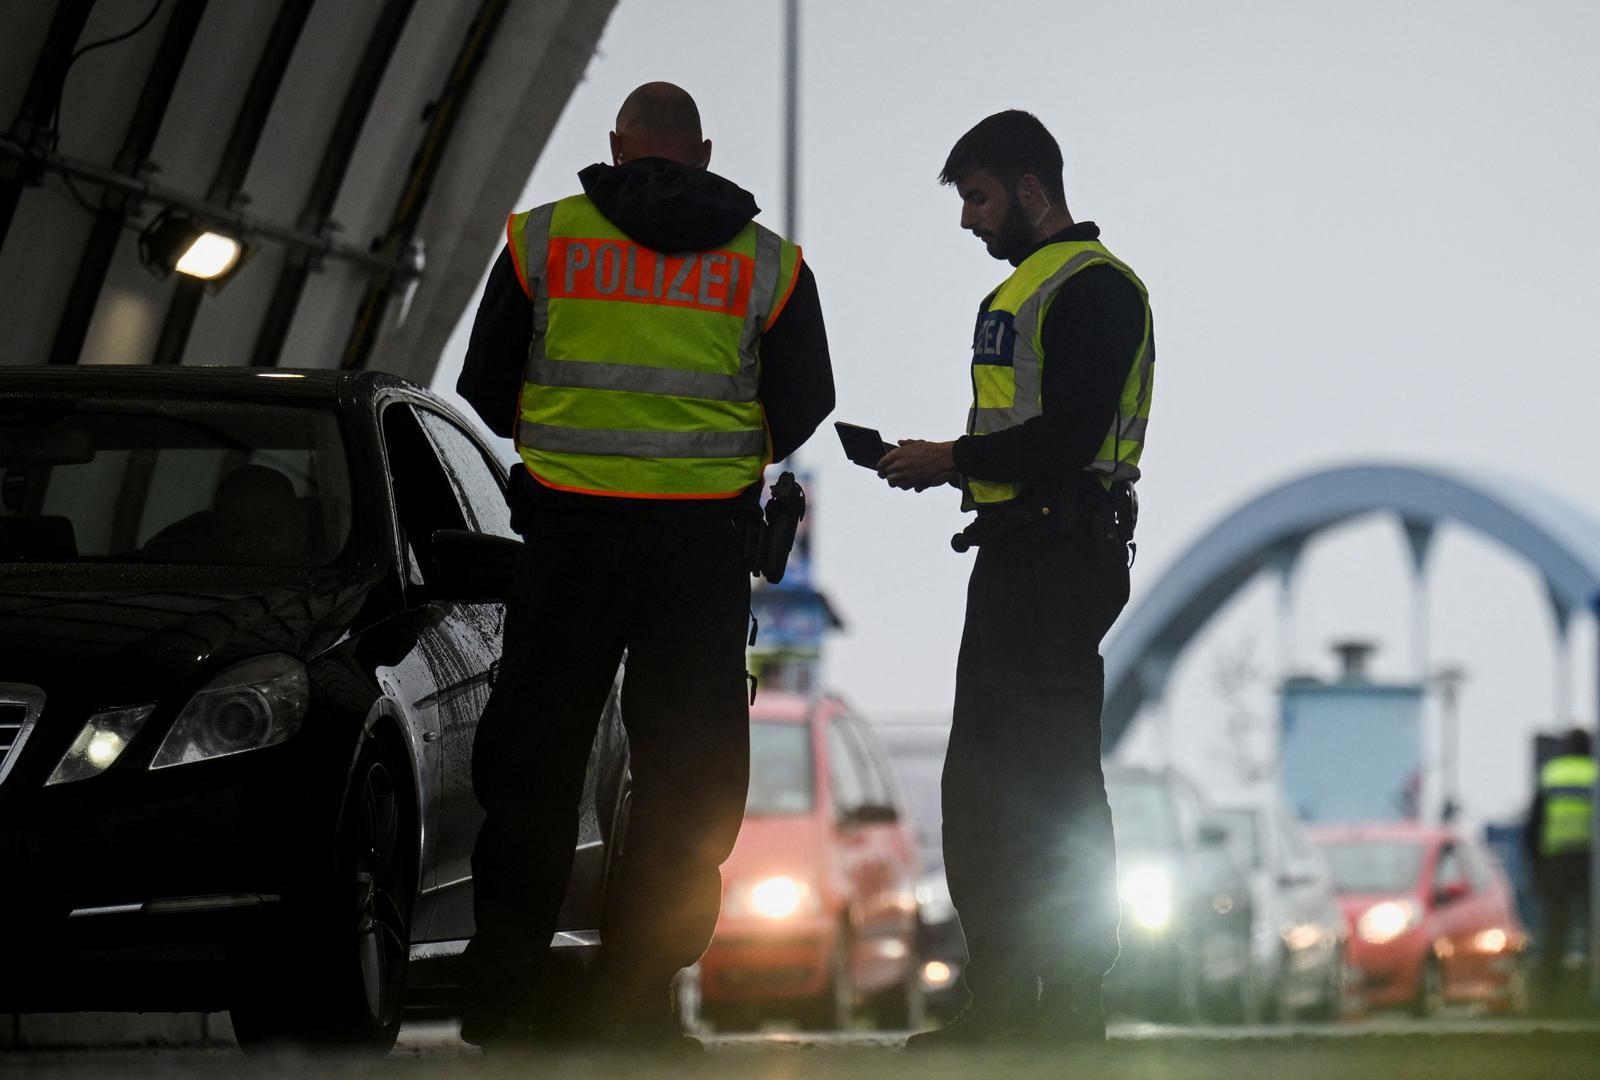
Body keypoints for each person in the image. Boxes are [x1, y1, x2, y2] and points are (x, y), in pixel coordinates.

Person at [454, 82, 834, 1050]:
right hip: (697, 548)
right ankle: (637, 1002)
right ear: (700, 152)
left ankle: (504, 994)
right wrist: (709, 455)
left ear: (617, 145)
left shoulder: (542, 241)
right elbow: (806, 399)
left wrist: (571, 449)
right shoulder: (768, 264)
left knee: (535, 765)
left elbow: (483, 387)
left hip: (567, 537)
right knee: (685, 778)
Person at [883, 110, 1153, 1047]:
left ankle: (1072, 1003)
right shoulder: (1035, 288)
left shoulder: (1097, 289)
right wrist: (953, 465)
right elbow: (1026, 434)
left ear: (1031, 191)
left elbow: (1070, 437)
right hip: (1014, 552)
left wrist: (949, 457)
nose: (969, 220)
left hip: (1060, 556)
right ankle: (1002, 1003)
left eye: (979, 197)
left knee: (1053, 785)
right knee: (988, 787)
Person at [1525, 727, 1595, 1008]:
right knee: (1594, 928)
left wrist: (1536, 867)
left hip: (1557, 862)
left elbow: (1534, 824)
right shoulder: (1595, 774)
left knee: (1555, 929)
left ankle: (1550, 995)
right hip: (1591, 863)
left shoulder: (1551, 774)